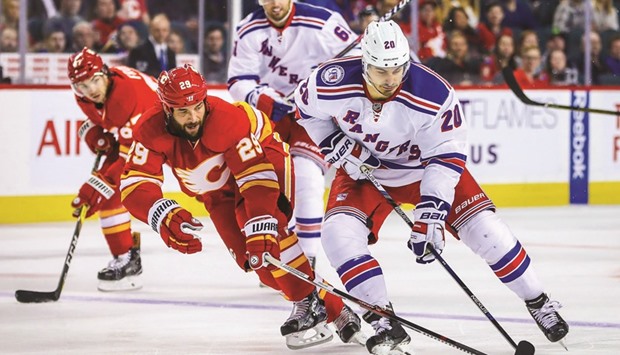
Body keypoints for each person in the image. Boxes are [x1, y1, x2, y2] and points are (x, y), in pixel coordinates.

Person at [294, 20, 569, 354]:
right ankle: (382, 319)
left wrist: (433, 213)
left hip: (426, 169)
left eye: (397, 69)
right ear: (364, 64)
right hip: (364, 172)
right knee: (337, 235)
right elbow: (304, 109)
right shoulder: (331, 81)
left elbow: (446, 155)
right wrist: (331, 141)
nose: (390, 79)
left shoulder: (432, 93)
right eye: (381, 71)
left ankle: (538, 301)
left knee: (487, 233)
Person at [119, 64, 365, 350]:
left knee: (268, 237)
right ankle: (335, 309)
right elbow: (134, 183)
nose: (193, 117)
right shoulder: (150, 130)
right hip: (216, 193)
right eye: (183, 112)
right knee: (260, 266)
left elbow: (255, 177)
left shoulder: (226, 119)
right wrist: (160, 213)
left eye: (197, 107)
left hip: (264, 161)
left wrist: (261, 222)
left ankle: (306, 300)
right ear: (166, 109)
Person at [227, 0, 359, 269]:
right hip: (267, 116)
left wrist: (326, 82)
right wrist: (261, 97)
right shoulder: (249, 29)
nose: (274, 4)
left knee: (307, 175)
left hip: (312, 114)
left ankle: (306, 257)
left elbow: (358, 63)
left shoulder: (324, 22)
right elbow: (238, 80)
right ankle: (273, 245)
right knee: (265, 180)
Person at [67, 47, 159, 291]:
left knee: (212, 193)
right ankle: (126, 258)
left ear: (104, 72)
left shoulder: (128, 95)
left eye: (94, 81)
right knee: (110, 197)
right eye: (82, 86)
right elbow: (106, 122)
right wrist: (95, 133)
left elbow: (131, 160)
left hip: (176, 135)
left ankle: (264, 245)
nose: (91, 91)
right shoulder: (88, 97)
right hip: (144, 137)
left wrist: (98, 183)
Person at [127, 13, 175, 78]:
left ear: (169, 31)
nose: (161, 34)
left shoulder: (171, 53)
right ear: (151, 30)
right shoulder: (137, 51)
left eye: (164, 30)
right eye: (157, 30)